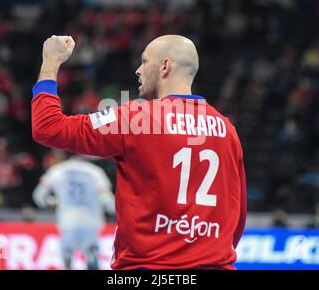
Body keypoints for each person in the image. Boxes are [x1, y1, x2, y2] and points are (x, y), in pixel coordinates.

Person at [31, 34, 247, 270]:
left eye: (144, 62)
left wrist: (50, 63)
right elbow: (238, 215)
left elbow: (47, 127)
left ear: (165, 66)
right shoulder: (227, 130)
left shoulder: (136, 119)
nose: (137, 70)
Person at [32, 154, 115, 270]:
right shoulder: (95, 172)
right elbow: (107, 201)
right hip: (91, 222)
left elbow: (38, 196)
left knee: (67, 257)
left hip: (68, 222)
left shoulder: (57, 170)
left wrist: (51, 203)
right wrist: (117, 212)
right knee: (92, 256)